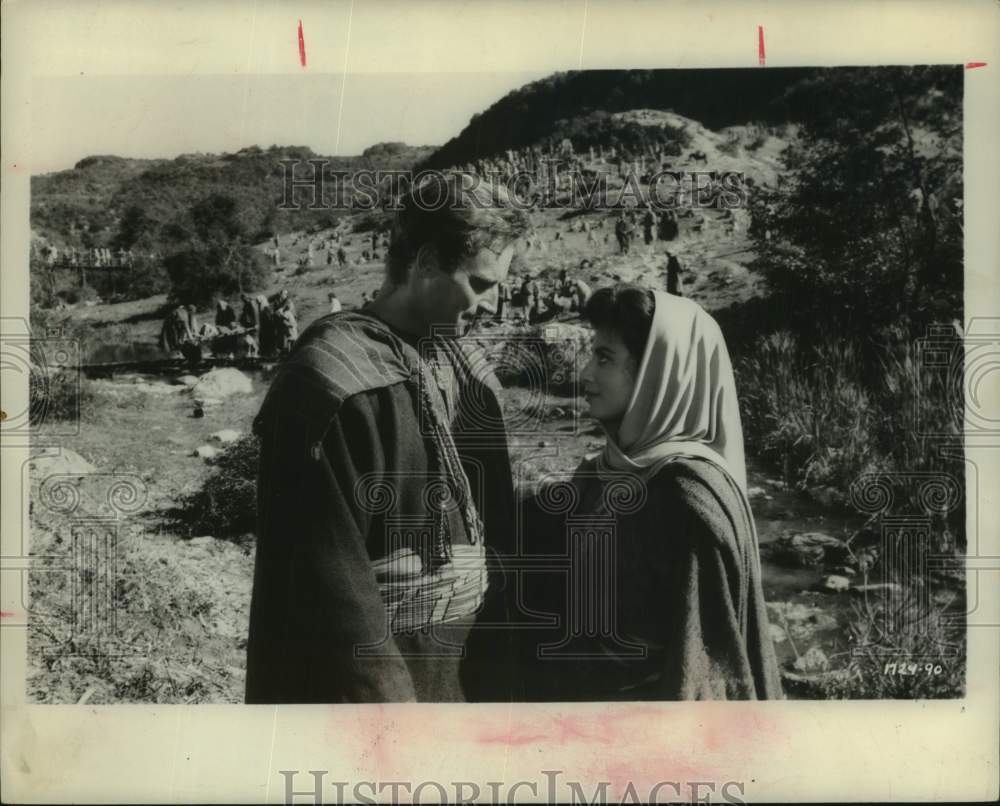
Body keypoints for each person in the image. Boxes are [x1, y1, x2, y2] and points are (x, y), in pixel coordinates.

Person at [246, 173, 527, 703]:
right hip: (384, 689)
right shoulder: (330, 384)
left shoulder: (468, 372)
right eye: (481, 284)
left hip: (467, 675)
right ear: (423, 263)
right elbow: (332, 593)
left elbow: (499, 530)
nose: (492, 306)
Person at [518, 285, 782, 701]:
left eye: (604, 358)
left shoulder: (686, 495)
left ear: (657, 376)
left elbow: (702, 667)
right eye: (592, 354)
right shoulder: (606, 471)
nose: (585, 374)